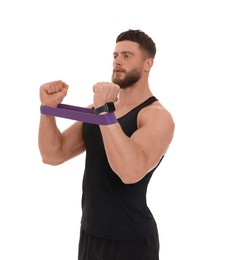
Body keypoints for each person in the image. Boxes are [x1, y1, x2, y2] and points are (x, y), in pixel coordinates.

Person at [38, 29, 175, 260]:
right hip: (91, 233)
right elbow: (53, 155)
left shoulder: (156, 116)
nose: (118, 61)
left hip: (130, 240)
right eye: (115, 55)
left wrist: (105, 112)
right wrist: (48, 111)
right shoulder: (99, 109)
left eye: (127, 55)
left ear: (148, 64)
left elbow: (130, 172)